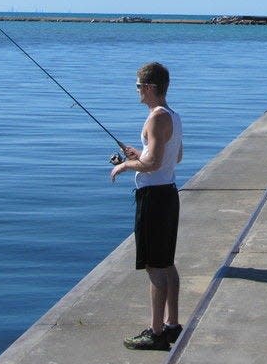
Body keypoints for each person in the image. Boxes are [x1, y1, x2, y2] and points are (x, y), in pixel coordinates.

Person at [111, 62, 183, 351]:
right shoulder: (173, 116)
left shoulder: (155, 118)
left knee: (155, 267)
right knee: (167, 263)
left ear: (150, 87)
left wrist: (126, 165)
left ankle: (155, 332)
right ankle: (172, 324)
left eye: (139, 86)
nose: (137, 91)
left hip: (153, 199)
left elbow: (152, 164)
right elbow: (173, 157)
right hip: (169, 194)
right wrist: (138, 153)